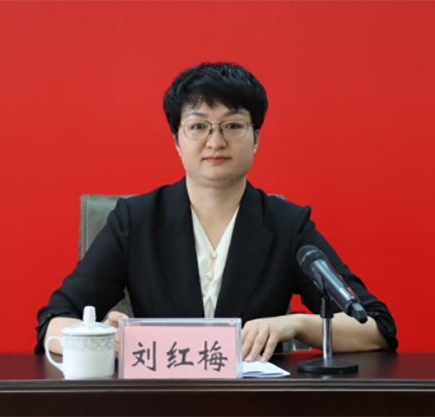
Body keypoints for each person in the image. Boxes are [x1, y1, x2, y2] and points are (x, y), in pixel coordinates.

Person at [36, 62, 398, 362]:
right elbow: (53, 321)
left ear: (256, 138)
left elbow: (376, 327)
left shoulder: (286, 224)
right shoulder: (135, 221)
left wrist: (295, 325)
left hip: (253, 405)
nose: (216, 141)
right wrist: (98, 338)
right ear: (177, 141)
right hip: (157, 403)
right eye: (198, 126)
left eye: (233, 126)